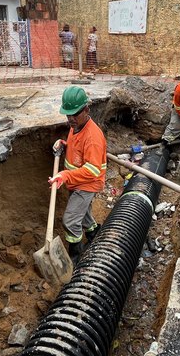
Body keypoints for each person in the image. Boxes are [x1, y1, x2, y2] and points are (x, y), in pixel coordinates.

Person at [49, 86, 107, 265]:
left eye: (75, 114)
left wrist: (65, 175)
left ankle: (76, 257)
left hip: (88, 184)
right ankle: (94, 233)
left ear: (86, 110)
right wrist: (64, 144)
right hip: (76, 181)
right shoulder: (76, 126)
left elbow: (93, 170)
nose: (71, 119)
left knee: (70, 220)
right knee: (83, 211)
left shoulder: (93, 137)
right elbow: (78, 150)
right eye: (68, 115)